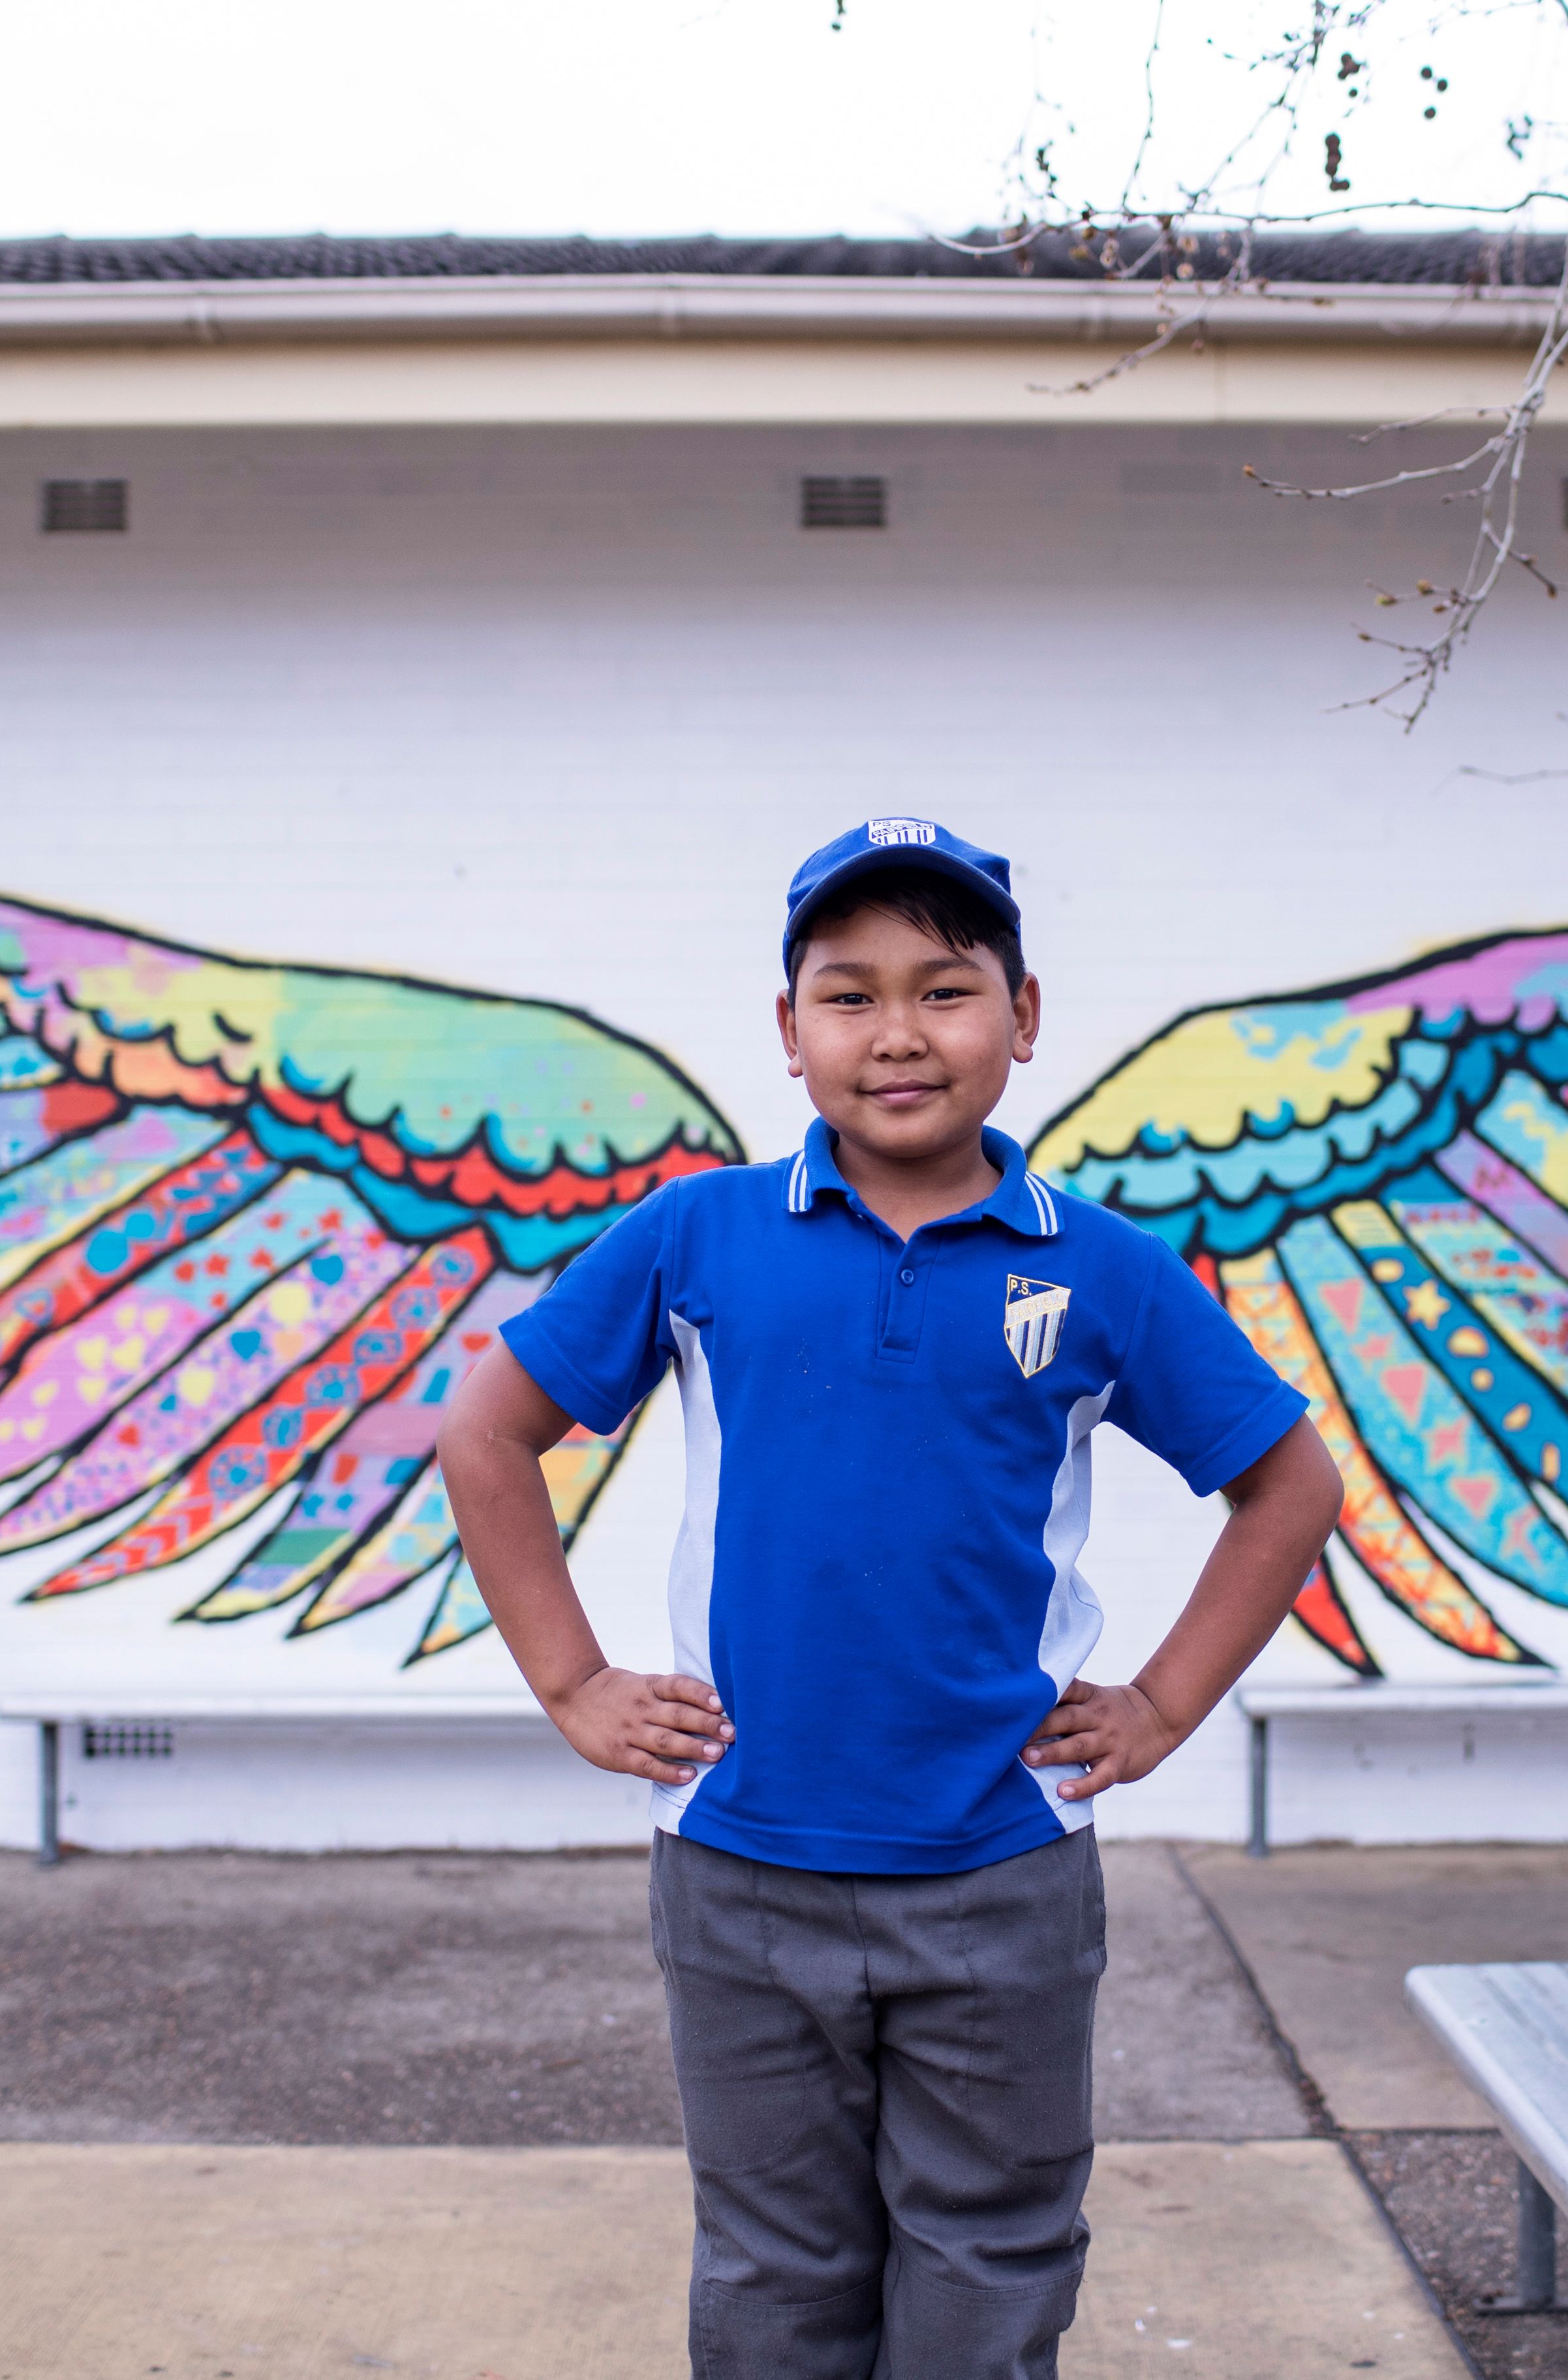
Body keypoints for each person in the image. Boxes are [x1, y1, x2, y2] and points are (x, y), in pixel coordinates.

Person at [440, 816, 1345, 2379]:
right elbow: (487, 1431)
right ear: (788, 1034)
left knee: (990, 2263)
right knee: (778, 2272)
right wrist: (576, 1685)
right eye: (848, 996)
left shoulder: (1101, 1266)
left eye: (946, 988)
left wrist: (1163, 1702)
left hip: (1004, 1868)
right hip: (740, 1865)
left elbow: (1291, 1484)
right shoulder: (700, 1235)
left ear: (1026, 1014)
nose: (901, 1033)